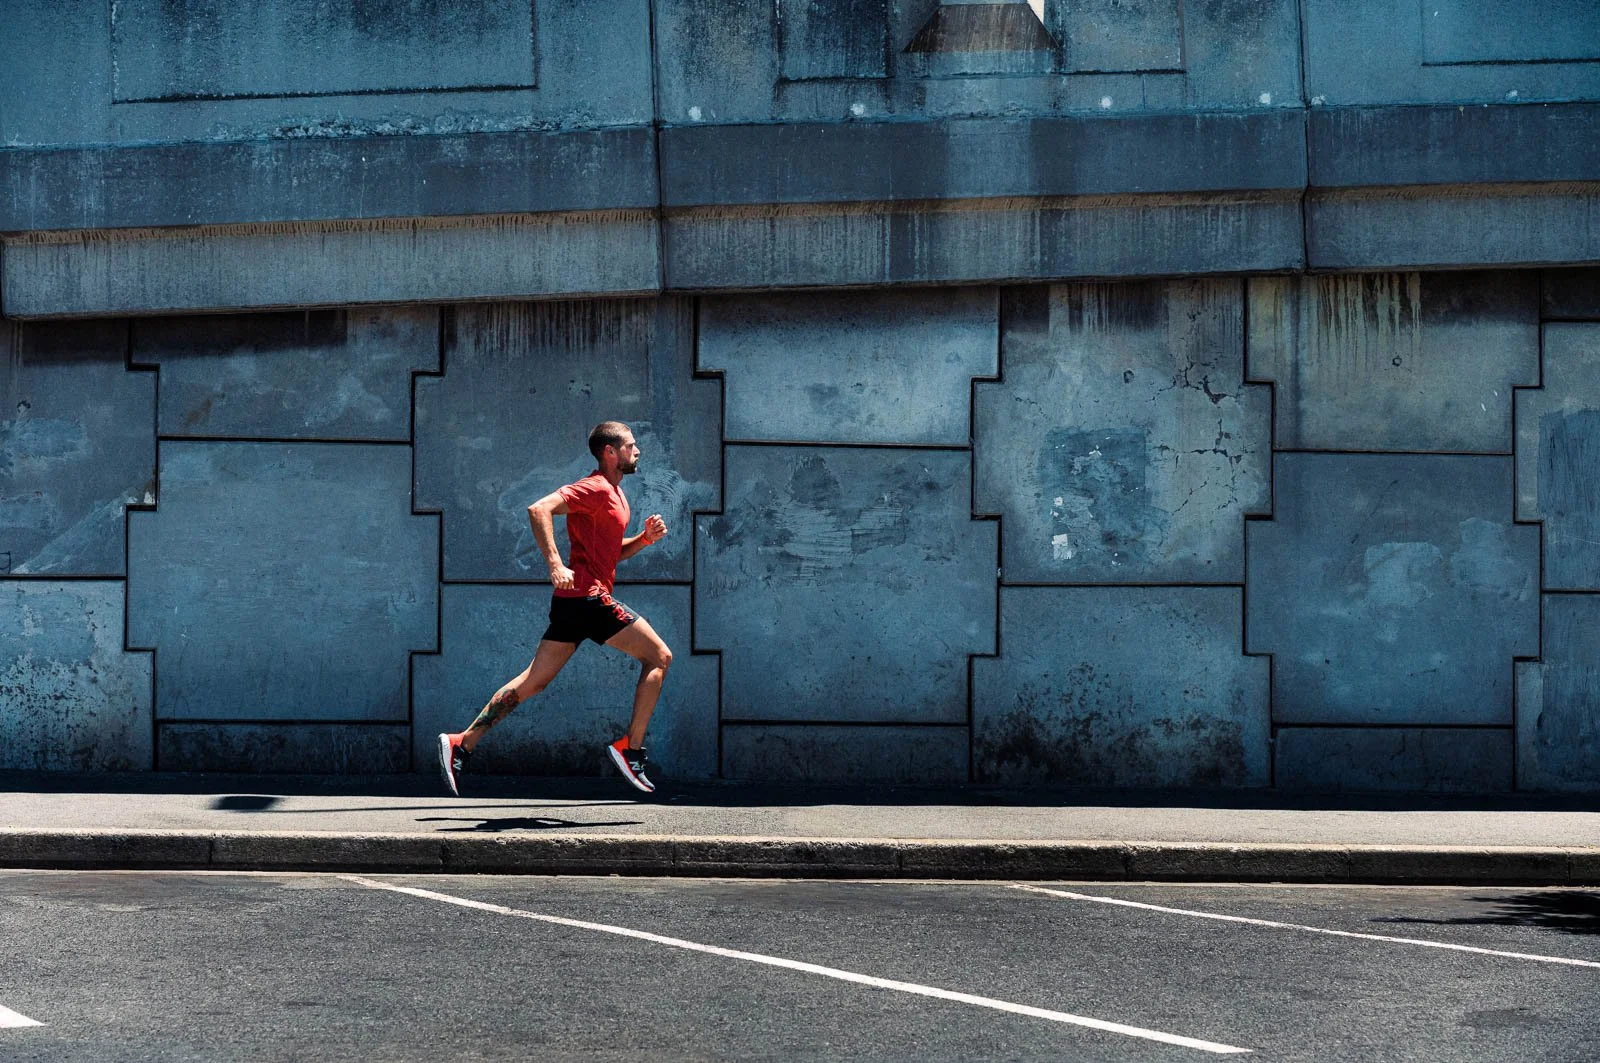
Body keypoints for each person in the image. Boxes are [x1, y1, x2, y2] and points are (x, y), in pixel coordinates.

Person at [436, 421, 673, 796]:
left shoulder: (616, 494)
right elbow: (538, 508)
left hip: (573, 604)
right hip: (589, 599)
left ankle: (461, 743)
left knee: (533, 681)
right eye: (630, 445)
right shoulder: (595, 487)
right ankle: (632, 749)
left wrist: (644, 540)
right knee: (659, 656)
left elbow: (611, 555)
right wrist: (554, 564)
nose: (637, 450)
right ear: (610, 452)